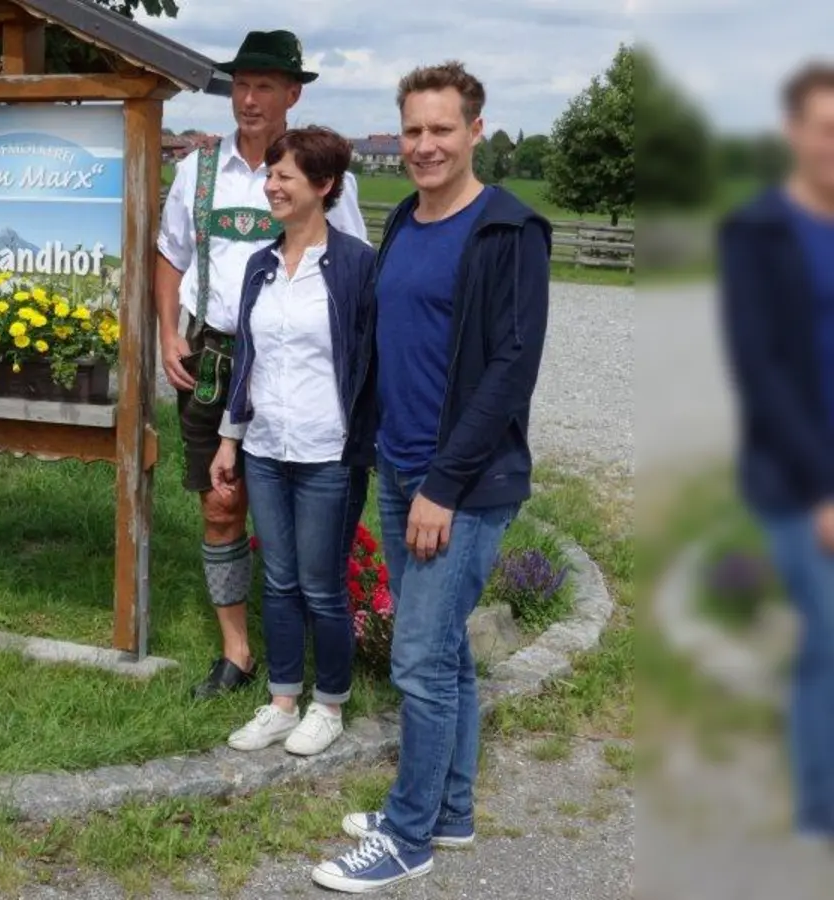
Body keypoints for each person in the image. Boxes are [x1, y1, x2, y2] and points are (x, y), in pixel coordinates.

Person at [311, 61, 551, 893]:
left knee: (415, 659)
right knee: (444, 652)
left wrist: (443, 486)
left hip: (465, 481)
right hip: (400, 462)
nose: (425, 145)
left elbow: (510, 371)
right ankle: (449, 811)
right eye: (413, 130)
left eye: (441, 129)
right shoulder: (406, 225)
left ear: (475, 131)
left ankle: (407, 836)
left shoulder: (509, 231)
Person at [156, 30, 368, 701]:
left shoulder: (330, 180)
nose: (248, 99)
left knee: (300, 508)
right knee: (221, 508)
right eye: (241, 85)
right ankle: (238, 651)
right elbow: (170, 255)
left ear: (292, 94)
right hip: (213, 354)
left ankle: (309, 648)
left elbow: (355, 279)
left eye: (265, 86)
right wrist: (167, 332)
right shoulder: (199, 170)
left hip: (290, 365)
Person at [209, 127, 376, 758]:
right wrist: (231, 440)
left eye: (285, 177)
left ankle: (328, 703)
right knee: (278, 580)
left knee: (321, 583)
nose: (271, 186)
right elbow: (247, 359)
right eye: (270, 175)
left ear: (324, 186)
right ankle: (282, 700)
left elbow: (372, 360)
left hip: (328, 452)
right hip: (266, 449)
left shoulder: (358, 266)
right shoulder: (260, 264)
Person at [717, 60, 834, 851]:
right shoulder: (758, 232)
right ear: (794, 133)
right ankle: (821, 808)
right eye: (826, 130)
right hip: (799, 480)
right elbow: (760, 372)